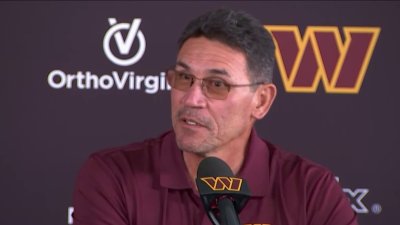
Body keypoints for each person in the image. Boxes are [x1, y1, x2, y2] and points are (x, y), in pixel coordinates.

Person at [72, 8, 358, 225]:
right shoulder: (112, 177)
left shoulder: (312, 191)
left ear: (261, 101)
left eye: (217, 84)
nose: (192, 99)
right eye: (184, 77)